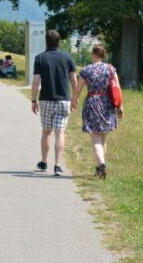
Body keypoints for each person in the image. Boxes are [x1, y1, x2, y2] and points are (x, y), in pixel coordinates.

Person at [71, 44, 124, 179]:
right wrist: (120, 106)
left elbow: (78, 88)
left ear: (93, 55)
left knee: (95, 139)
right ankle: (100, 166)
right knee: (103, 139)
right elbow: (117, 88)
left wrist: (74, 101)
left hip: (92, 103)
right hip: (107, 104)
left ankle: (101, 164)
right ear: (103, 55)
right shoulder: (111, 69)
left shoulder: (86, 70)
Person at [31, 30, 77, 176]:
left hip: (45, 99)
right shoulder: (67, 57)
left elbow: (36, 81)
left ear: (46, 41)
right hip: (63, 99)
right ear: (59, 41)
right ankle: (57, 165)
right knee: (60, 132)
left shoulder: (40, 58)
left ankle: (44, 162)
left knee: (46, 132)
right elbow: (74, 80)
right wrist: (75, 98)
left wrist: (33, 100)